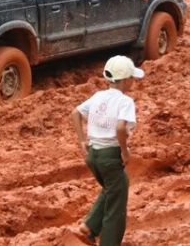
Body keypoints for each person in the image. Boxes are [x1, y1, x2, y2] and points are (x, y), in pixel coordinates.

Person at [71, 55, 144, 246]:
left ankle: (89, 226)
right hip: (109, 155)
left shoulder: (98, 96)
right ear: (126, 80)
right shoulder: (125, 101)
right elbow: (120, 128)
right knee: (116, 205)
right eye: (132, 78)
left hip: (93, 156)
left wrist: (82, 141)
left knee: (116, 186)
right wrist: (124, 151)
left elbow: (75, 113)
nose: (133, 82)